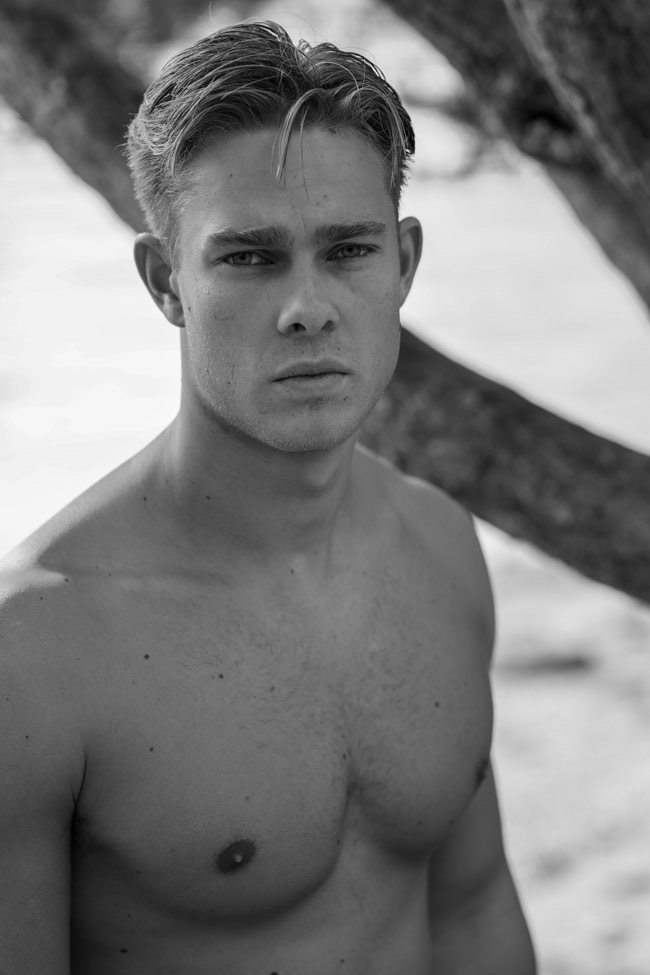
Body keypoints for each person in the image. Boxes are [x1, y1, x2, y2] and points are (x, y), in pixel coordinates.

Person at [0, 20, 536, 974]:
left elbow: (474, 908)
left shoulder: (441, 545)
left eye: (349, 250)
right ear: (166, 282)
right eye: (249, 257)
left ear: (404, 264)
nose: (308, 307)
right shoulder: (36, 655)